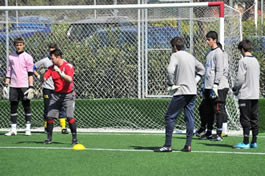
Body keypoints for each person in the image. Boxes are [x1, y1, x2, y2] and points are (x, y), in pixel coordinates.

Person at [154, 37, 205, 152]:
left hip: (181, 91)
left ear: (175, 47)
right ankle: (188, 145)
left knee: (170, 117)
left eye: (171, 47)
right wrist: (195, 81)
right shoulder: (190, 56)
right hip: (192, 92)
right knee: (189, 118)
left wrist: (171, 83)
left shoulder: (175, 55)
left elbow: (170, 70)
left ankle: (168, 145)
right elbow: (202, 69)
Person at [43, 49, 78, 144]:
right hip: (56, 95)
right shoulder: (51, 68)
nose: (51, 60)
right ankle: (49, 138)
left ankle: (74, 138)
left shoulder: (68, 66)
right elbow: (44, 78)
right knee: (49, 116)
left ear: (58, 57)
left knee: (70, 116)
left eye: (52, 58)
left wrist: (61, 73)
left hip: (68, 95)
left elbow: (70, 79)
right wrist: (40, 76)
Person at [195, 31, 225, 141]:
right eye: (207, 39)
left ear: (214, 40)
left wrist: (216, 84)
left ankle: (219, 134)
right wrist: (204, 84)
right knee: (205, 109)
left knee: (217, 110)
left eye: (209, 39)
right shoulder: (209, 53)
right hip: (207, 86)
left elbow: (219, 69)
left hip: (214, 87)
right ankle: (208, 131)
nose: (207, 41)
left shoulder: (218, 53)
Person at [33, 43, 68, 134]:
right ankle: (46, 127)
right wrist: (38, 76)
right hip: (47, 88)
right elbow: (33, 67)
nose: (51, 51)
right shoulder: (45, 61)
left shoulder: (62, 61)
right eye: (50, 49)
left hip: (59, 88)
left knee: (61, 107)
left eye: (53, 49)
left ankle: (63, 127)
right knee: (47, 107)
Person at [3, 37, 34, 136]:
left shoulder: (28, 57)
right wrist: (6, 84)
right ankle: (13, 129)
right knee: (13, 106)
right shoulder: (11, 57)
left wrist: (31, 86)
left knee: (26, 105)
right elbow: (9, 71)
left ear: (23, 45)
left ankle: (28, 128)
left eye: (21, 45)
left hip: (24, 85)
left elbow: (30, 73)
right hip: (14, 85)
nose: (19, 47)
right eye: (17, 45)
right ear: (15, 46)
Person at [233, 39, 260, 149]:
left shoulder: (243, 61)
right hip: (255, 94)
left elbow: (240, 78)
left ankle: (245, 142)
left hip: (245, 94)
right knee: (254, 118)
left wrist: (235, 88)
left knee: (245, 118)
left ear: (242, 50)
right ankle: (254, 141)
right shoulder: (256, 61)